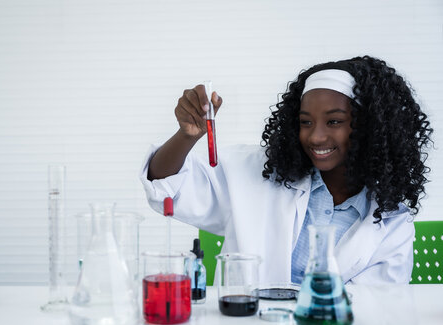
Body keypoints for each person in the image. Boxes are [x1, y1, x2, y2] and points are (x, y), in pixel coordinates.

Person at [139, 55, 433, 285]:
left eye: (334, 121)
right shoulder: (255, 175)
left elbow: (376, 312)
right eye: (306, 122)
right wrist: (187, 136)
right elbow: (166, 188)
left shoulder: (391, 223)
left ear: (370, 127)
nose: (316, 136)